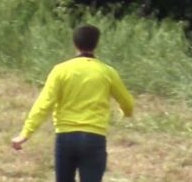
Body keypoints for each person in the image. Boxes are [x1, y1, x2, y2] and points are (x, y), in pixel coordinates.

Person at [11, 24, 134, 182]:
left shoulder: (60, 70)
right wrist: (126, 113)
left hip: (65, 137)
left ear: (74, 43)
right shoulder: (107, 72)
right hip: (94, 137)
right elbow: (127, 102)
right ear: (96, 44)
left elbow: (44, 104)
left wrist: (25, 134)